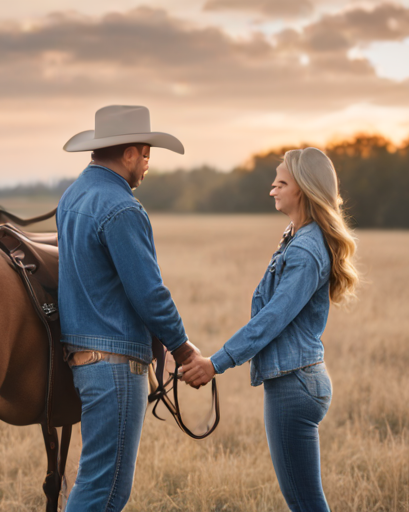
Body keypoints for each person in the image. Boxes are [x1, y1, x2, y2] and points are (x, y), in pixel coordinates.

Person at [181, 147, 359, 511]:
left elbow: (271, 320)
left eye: (281, 183)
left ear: (304, 189)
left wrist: (215, 362)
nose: (272, 190)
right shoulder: (297, 236)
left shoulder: (306, 249)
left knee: (305, 502)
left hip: (294, 385)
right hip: (295, 381)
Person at [57, 105, 199, 512]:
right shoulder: (121, 208)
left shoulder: (73, 196)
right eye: (146, 153)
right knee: (106, 488)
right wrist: (184, 349)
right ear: (129, 154)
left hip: (84, 359)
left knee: (98, 480)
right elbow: (149, 294)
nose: (148, 163)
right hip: (116, 365)